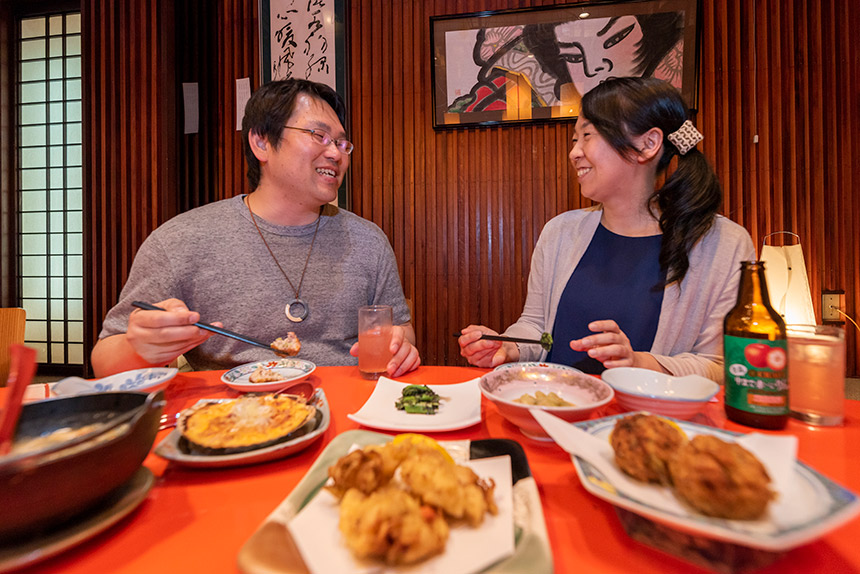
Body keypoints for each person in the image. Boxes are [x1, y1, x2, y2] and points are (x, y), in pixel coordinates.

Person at [92, 79, 420, 377]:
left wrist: (399, 346)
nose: (336, 153)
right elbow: (105, 361)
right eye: (319, 136)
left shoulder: (369, 240)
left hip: (350, 415)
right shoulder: (182, 240)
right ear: (261, 142)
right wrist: (141, 348)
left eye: (342, 143)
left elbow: (400, 330)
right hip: (229, 422)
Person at [458, 77, 754, 382]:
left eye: (587, 135)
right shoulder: (560, 232)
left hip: (652, 425)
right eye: (575, 139)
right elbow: (535, 328)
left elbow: (719, 366)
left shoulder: (724, 243)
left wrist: (639, 362)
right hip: (556, 412)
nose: (574, 152)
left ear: (647, 144)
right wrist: (507, 346)